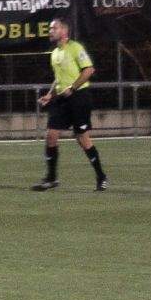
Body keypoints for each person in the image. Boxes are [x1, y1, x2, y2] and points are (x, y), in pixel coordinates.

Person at [35, 16, 108, 191]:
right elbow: (58, 78)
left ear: (64, 31)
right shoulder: (54, 53)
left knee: (82, 138)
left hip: (79, 98)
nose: (50, 31)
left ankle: (101, 176)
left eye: (54, 28)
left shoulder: (75, 48)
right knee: (51, 135)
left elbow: (89, 70)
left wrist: (73, 88)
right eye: (50, 29)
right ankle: (51, 179)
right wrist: (49, 94)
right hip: (61, 99)